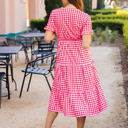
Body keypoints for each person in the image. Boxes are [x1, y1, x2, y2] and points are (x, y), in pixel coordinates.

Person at [44, 0, 108, 128]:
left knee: (57, 95)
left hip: (63, 62)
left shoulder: (55, 14)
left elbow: (47, 38)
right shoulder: (84, 17)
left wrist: (60, 31)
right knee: (81, 97)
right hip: (81, 63)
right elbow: (85, 44)